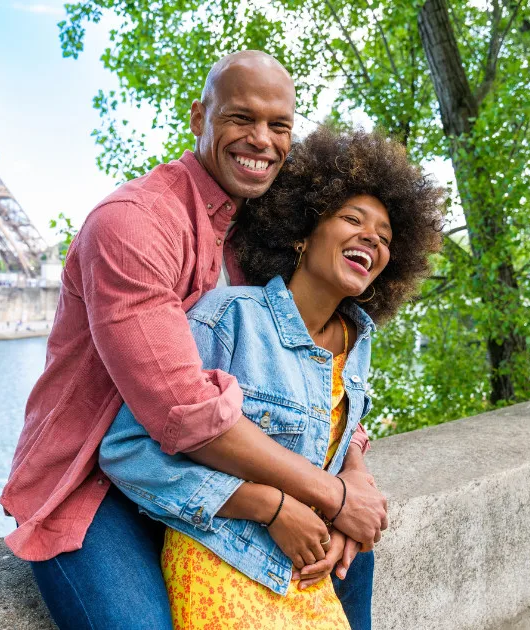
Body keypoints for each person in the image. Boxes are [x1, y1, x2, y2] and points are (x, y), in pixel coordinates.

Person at [1, 51, 390, 629]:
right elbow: (184, 414)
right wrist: (322, 497)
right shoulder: (133, 223)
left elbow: (313, 376)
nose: (261, 140)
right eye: (241, 118)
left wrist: (351, 468)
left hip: (210, 471)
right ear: (198, 117)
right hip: (96, 482)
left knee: (351, 563)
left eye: (279, 126)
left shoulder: (259, 239)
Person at [100, 126, 444, 628]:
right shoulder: (228, 320)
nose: (372, 236)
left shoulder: (356, 345)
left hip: (303, 574)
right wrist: (270, 506)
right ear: (303, 232)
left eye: (386, 237)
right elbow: (129, 448)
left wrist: (350, 492)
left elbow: (326, 442)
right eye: (352, 218)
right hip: (221, 564)